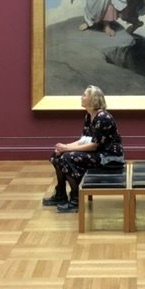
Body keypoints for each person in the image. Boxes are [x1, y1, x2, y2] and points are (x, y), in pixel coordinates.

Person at [43, 85, 124, 213]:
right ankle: (60, 194)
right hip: (97, 153)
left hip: (108, 157)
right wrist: (64, 147)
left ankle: (76, 200)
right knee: (57, 155)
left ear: (93, 99)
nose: (81, 97)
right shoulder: (89, 116)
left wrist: (67, 149)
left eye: (84, 95)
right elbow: (84, 140)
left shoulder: (103, 118)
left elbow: (94, 145)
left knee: (67, 157)